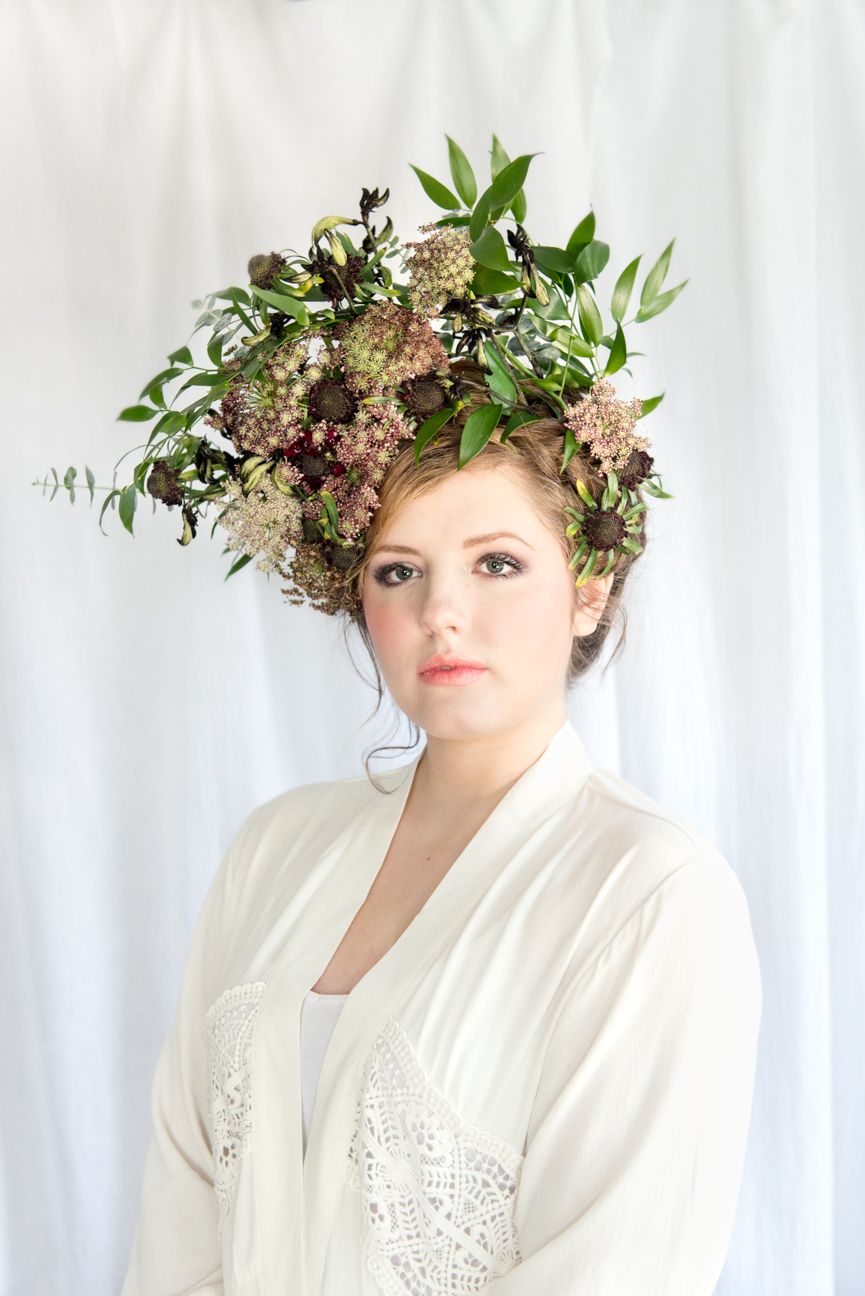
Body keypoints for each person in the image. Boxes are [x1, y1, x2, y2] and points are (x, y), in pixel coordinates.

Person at [120, 409, 762, 1296]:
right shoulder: (275, 849)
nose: (440, 613)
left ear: (588, 587)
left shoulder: (651, 893)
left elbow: (612, 1267)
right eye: (398, 571)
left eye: (496, 564)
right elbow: (180, 1211)